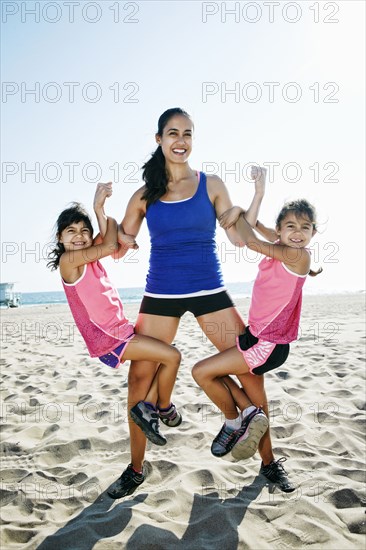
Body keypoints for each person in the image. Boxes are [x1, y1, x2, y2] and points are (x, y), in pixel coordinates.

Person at [94, 107, 269, 499]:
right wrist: (102, 213)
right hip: (161, 294)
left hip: (209, 290)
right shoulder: (144, 195)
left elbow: (239, 237)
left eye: (188, 134)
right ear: (159, 139)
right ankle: (136, 469)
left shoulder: (211, 184)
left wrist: (253, 200)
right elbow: (117, 249)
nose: (181, 141)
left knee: (250, 371)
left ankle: (270, 463)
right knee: (139, 379)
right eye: (173, 133)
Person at [192, 198, 322, 492]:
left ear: (314, 232)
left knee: (201, 372)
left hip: (267, 345)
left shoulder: (297, 256)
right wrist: (254, 201)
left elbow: (250, 241)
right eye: (291, 226)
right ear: (279, 230)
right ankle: (251, 418)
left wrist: (236, 212)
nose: (298, 231)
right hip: (259, 339)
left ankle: (239, 417)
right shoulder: (281, 247)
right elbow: (257, 230)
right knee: (217, 374)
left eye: (306, 227)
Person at [47, 189, 182, 451]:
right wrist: (98, 207)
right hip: (109, 339)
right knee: (172, 357)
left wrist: (105, 218)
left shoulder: (89, 253)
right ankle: (160, 406)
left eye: (84, 230)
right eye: (71, 231)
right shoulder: (68, 261)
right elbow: (110, 245)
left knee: (164, 358)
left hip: (122, 332)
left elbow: (109, 234)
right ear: (60, 238)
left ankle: (152, 407)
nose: (79, 236)